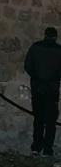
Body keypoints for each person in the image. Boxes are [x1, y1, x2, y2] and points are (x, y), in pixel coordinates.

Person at [24, 27, 61, 157]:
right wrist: (53, 79)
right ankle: (47, 149)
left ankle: (36, 147)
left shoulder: (35, 48)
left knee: (38, 119)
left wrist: (37, 78)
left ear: (45, 35)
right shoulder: (59, 51)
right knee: (50, 122)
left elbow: (28, 66)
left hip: (38, 89)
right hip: (52, 90)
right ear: (55, 37)